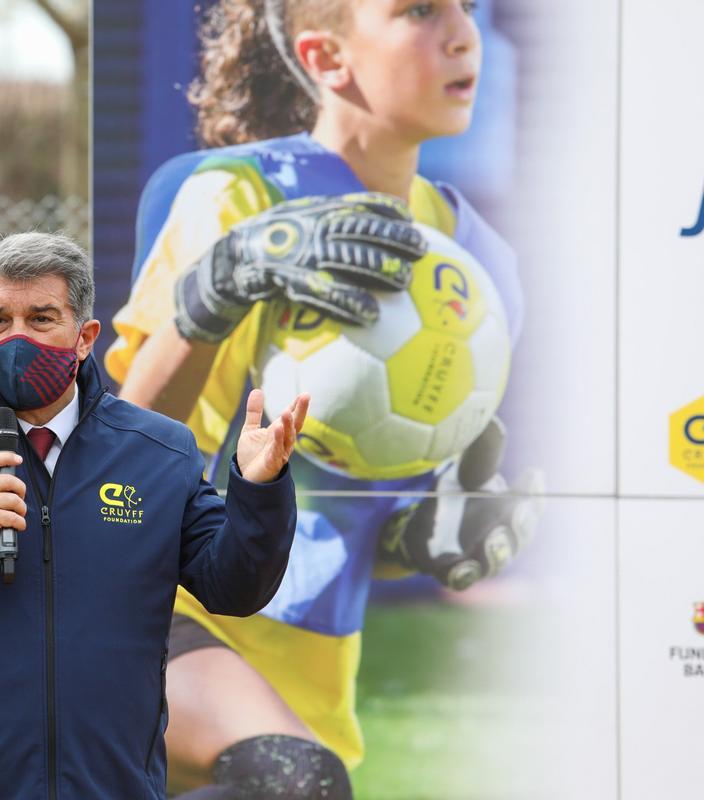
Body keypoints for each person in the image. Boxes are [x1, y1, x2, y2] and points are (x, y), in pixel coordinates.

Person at [105, 0, 540, 797]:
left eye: (466, 8)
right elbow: (119, 463)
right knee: (296, 780)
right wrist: (222, 282)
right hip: (146, 619)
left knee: (302, 778)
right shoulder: (233, 198)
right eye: (418, 9)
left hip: (307, 689)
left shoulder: (480, 268)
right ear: (327, 58)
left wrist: (427, 536)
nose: (461, 31)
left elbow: (334, 527)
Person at [0, 232, 322, 799]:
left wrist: (259, 489)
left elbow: (236, 588)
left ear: (84, 337)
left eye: (40, 318)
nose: (17, 338)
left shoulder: (159, 451)